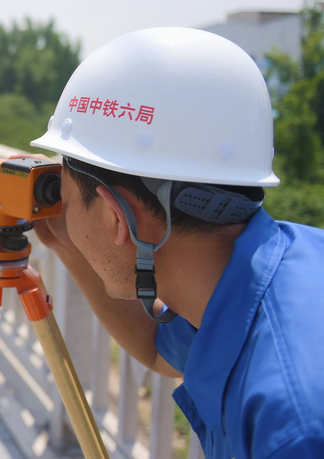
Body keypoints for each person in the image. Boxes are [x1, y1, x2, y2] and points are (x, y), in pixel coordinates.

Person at [27, 27, 324, 459]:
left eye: (68, 200)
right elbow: (157, 347)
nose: (66, 214)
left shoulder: (293, 429)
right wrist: (70, 244)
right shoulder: (266, 274)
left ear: (114, 216)